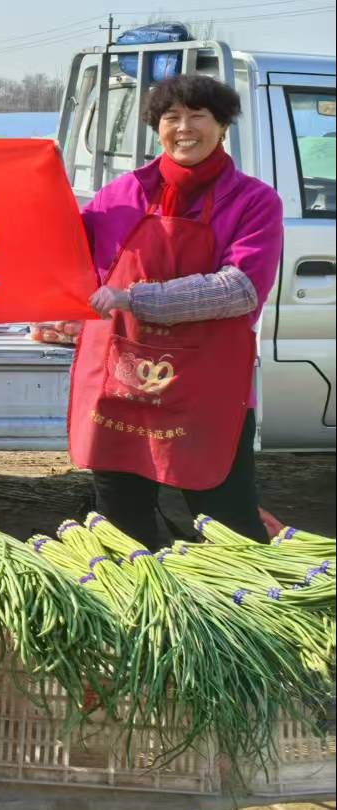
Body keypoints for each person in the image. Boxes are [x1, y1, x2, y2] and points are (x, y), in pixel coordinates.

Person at [64, 74, 282, 547]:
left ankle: (233, 593)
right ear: (156, 128)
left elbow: (239, 290)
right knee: (121, 525)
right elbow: (66, 256)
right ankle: (132, 593)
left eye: (197, 116)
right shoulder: (120, 195)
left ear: (222, 126)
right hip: (120, 383)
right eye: (171, 117)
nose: (184, 128)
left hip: (206, 389)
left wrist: (133, 298)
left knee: (228, 525)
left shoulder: (254, 201)